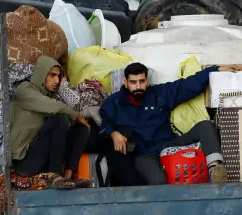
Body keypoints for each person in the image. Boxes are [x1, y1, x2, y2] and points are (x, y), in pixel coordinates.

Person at [99, 62, 232, 186]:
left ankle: (215, 169)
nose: (138, 86)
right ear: (125, 82)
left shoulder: (159, 94)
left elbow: (186, 86)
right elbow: (104, 123)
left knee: (205, 126)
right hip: (144, 154)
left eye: (141, 81)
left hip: (169, 144)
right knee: (159, 182)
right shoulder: (114, 102)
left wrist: (214, 70)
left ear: (147, 81)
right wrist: (114, 133)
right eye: (133, 82)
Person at [10, 56, 92, 189]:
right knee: (61, 118)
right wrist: (76, 115)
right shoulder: (25, 90)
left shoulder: (50, 95)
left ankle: (67, 176)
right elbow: (53, 107)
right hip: (25, 162)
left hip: (42, 157)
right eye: (52, 75)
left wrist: (78, 120)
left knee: (81, 129)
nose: (57, 80)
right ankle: (55, 175)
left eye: (58, 76)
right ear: (42, 74)